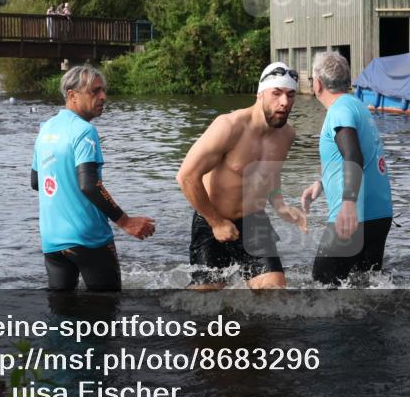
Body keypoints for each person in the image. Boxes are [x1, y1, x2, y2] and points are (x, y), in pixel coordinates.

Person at [176, 62, 306, 290]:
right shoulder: (229, 126)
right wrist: (216, 223)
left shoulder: (287, 134)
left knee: (274, 291)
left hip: (254, 221)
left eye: (290, 95)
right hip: (212, 220)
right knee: (207, 296)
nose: (284, 102)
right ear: (260, 93)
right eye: (276, 94)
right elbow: (186, 177)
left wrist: (280, 205)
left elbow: (271, 174)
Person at [31, 65, 155, 291]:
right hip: (88, 237)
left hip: (52, 239)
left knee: (61, 313)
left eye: (103, 91)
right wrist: (125, 221)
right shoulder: (84, 131)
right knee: (106, 312)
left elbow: (35, 182)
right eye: (95, 91)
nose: (103, 97)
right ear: (72, 95)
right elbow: (89, 185)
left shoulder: (45, 129)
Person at [301, 52, 394, 286]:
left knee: (321, 285)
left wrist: (348, 203)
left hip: (355, 217)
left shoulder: (338, 111)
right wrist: (321, 183)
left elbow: (353, 154)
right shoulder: (356, 106)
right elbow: (353, 155)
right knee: (363, 289)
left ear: (318, 83)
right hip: (379, 216)